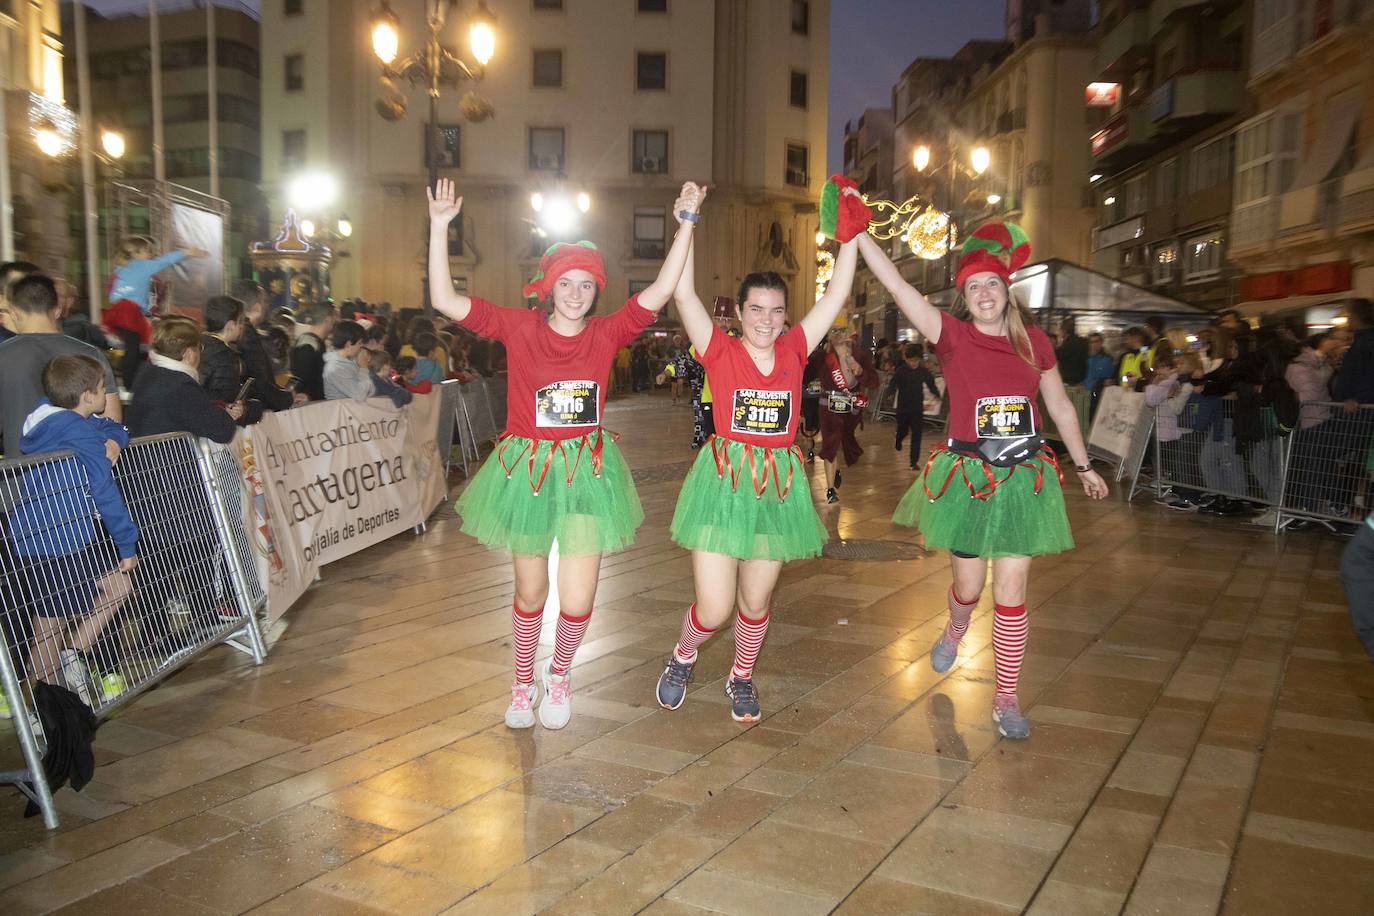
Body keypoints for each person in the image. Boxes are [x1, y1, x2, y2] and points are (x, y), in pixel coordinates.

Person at [426, 177, 702, 731]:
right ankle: (523, 680)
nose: (575, 293)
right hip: (525, 474)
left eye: (585, 284)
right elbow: (444, 299)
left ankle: (560, 672)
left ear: (596, 290)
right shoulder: (518, 326)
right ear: (548, 287)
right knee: (531, 591)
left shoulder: (607, 332)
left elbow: (663, 289)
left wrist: (686, 223)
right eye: (565, 283)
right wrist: (438, 226)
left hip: (586, 474)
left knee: (577, 601)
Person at [858, 220, 1109, 739]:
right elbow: (902, 289)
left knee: (1013, 589)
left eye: (992, 283)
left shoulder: (1035, 342)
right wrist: (860, 235)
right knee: (969, 587)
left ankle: (1007, 696)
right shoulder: (952, 337)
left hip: (1022, 475)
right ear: (964, 298)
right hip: (969, 476)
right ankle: (955, 624)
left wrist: (1084, 466)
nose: (984, 293)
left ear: (1007, 290)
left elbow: (1059, 405)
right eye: (973, 286)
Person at [654, 176, 864, 724]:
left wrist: (849, 236)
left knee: (755, 603)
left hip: (777, 488)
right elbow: (683, 295)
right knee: (716, 608)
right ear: (741, 312)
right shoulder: (719, 352)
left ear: (785, 316)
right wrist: (688, 223)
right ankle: (683, 654)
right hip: (722, 485)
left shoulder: (797, 348)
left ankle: (741, 676)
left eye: (776, 310)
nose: (767, 320)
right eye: (757, 310)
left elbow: (837, 294)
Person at [11, 354, 138, 706]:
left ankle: (73, 653)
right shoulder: (76, 429)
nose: (105, 395)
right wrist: (127, 543)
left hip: (63, 537)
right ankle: (44, 707)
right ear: (86, 396)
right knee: (48, 629)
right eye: (101, 389)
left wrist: (115, 439)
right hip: (53, 541)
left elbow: (111, 428)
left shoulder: (50, 417)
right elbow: (104, 489)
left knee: (117, 585)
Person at [0, 275, 122, 458]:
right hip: (78, 474)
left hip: (19, 477)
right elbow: (111, 417)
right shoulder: (91, 354)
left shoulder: (3, 354)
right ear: (57, 310)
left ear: (15, 312)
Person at [102, 236, 208, 388]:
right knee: (134, 348)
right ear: (136, 253)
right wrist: (188, 252)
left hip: (119, 310)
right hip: (130, 311)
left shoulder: (121, 268)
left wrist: (121, 299)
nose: (151, 255)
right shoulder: (144, 266)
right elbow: (166, 260)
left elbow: (112, 292)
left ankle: (133, 378)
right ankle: (130, 383)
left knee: (134, 346)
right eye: (148, 252)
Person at [128, 318, 242, 440]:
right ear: (188, 353)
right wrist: (227, 417)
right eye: (200, 348)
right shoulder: (181, 385)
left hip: (145, 455)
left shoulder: (148, 373)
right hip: (170, 456)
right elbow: (221, 430)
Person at [814, 327, 878, 503]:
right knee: (830, 443)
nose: (844, 345)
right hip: (828, 406)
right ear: (832, 342)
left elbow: (874, 381)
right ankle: (830, 490)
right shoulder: (823, 357)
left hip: (850, 408)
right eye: (840, 341)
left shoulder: (860, 357)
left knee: (843, 441)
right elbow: (805, 374)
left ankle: (836, 468)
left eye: (847, 341)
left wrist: (861, 371)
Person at [231, 280, 299, 413]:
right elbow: (260, 383)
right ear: (257, 308)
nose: (267, 307)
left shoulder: (229, 332)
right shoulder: (248, 338)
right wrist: (287, 397)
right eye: (265, 302)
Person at [887, 343, 941, 470]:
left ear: (920, 359)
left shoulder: (923, 372)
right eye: (911, 361)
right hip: (903, 407)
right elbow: (893, 383)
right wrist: (890, 393)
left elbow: (931, 384)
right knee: (903, 429)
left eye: (916, 361)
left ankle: (914, 462)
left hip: (917, 408)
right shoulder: (901, 371)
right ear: (906, 359)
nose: (914, 363)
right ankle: (899, 439)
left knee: (917, 434)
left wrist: (937, 394)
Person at [200, 295, 250, 413]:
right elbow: (225, 396)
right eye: (241, 322)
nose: (243, 327)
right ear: (231, 326)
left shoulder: (196, 343)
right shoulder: (225, 355)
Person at [323, 320, 376, 401]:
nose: (361, 347)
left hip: (352, 410)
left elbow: (371, 390)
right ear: (348, 344)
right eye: (360, 343)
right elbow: (360, 395)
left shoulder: (350, 361)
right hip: (341, 412)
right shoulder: (335, 368)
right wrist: (363, 367)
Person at [291, 303, 335, 401]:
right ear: (328, 320)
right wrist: (308, 396)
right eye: (334, 318)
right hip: (309, 406)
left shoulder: (317, 342)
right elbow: (300, 377)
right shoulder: (308, 344)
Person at [1055, 315, 1088, 387]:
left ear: (1063, 330)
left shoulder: (1067, 344)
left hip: (1068, 382)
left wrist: (1060, 342)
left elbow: (1057, 356)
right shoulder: (1082, 342)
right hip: (1081, 383)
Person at [1082, 332, 1115, 398]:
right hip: (1085, 395)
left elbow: (1107, 381)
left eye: (1096, 342)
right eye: (1091, 342)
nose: (1093, 344)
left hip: (1099, 395)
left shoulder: (1107, 360)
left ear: (1101, 343)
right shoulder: (1086, 359)